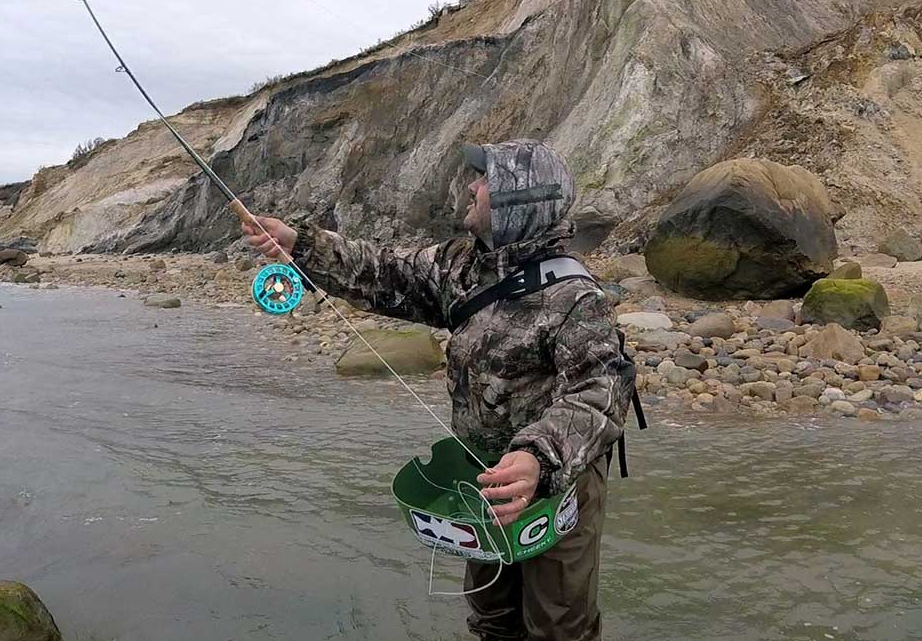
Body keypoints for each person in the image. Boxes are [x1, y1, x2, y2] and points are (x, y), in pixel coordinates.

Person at [242, 139, 637, 641]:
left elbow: (599, 390)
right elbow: (385, 272)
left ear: (520, 200)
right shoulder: (461, 266)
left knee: (558, 626)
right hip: (482, 477)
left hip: (558, 481)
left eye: (485, 181)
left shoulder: (576, 298)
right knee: (492, 615)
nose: (472, 187)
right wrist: (300, 244)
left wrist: (538, 455)